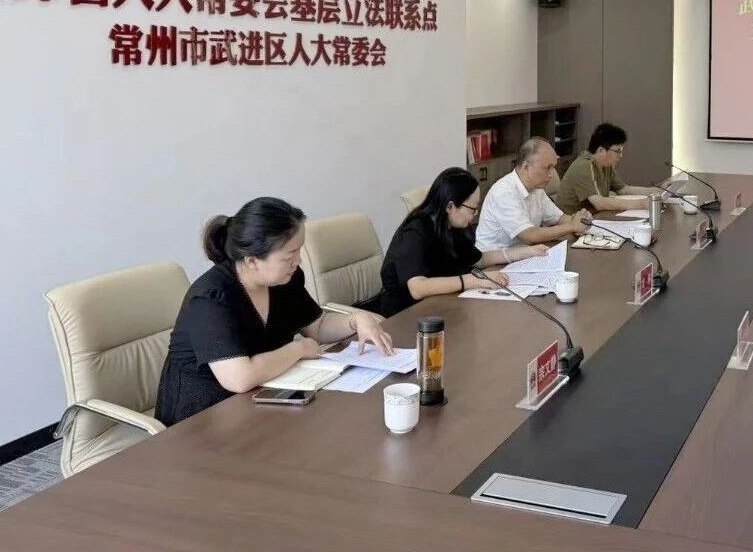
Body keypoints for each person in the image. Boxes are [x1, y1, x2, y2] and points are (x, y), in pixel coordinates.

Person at [156, 197, 393, 426]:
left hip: (264, 400)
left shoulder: (284, 279)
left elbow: (317, 327)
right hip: (202, 419)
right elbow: (239, 378)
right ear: (252, 261)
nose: (298, 261)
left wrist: (356, 320)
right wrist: (299, 349)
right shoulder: (211, 298)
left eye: (299, 251)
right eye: (289, 255)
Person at [379, 167, 550, 317]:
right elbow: (418, 288)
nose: (475, 214)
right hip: (406, 315)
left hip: (443, 305)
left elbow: (478, 259)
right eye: (472, 209)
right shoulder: (415, 232)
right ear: (450, 206)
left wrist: (525, 252)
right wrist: (473, 280)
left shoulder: (451, 226)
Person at [475, 137, 590, 251]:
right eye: (547, 168)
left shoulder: (537, 190)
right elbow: (529, 235)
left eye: (553, 167)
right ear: (526, 167)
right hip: (495, 259)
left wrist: (581, 220)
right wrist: (572, 226)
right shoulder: (504, 191)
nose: (551, 174)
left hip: (524, 253)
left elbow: (560, 218)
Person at [555, 123, 663, 214]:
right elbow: (599, 203)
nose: (621, 155)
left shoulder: (605, 164)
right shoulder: (584, 165)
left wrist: (658, 191)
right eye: (618, 151)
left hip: (593, 217)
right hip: (571, 223)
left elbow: (623, 189)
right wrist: (642, 204)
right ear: (601, 150)